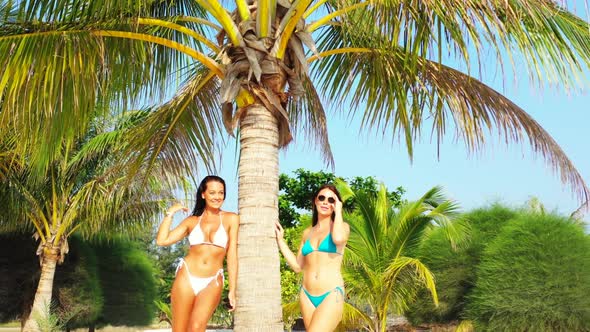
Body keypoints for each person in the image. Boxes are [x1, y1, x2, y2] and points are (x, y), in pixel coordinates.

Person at [156, 175, 239, 332]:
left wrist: (232, 290)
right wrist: (170, 214)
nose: (217, 197)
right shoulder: (192, 221)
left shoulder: (231, 219)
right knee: (179, 329)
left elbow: (232, 255)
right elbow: (162, 240)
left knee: (196, 326)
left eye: (221, 193)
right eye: (212, 192)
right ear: (203, 194)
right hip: (186, 276)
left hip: (213, 279)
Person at [275, 184, 350, 332]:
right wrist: (281, 241)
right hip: (307, 295)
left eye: (331, 200)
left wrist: (339, 210)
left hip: (331, 292)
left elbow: (338, 239)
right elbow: (297, 266)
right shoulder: (307, 233)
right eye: (321, 198)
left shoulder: (342, 227)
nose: (325, 202)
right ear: (315, 201)